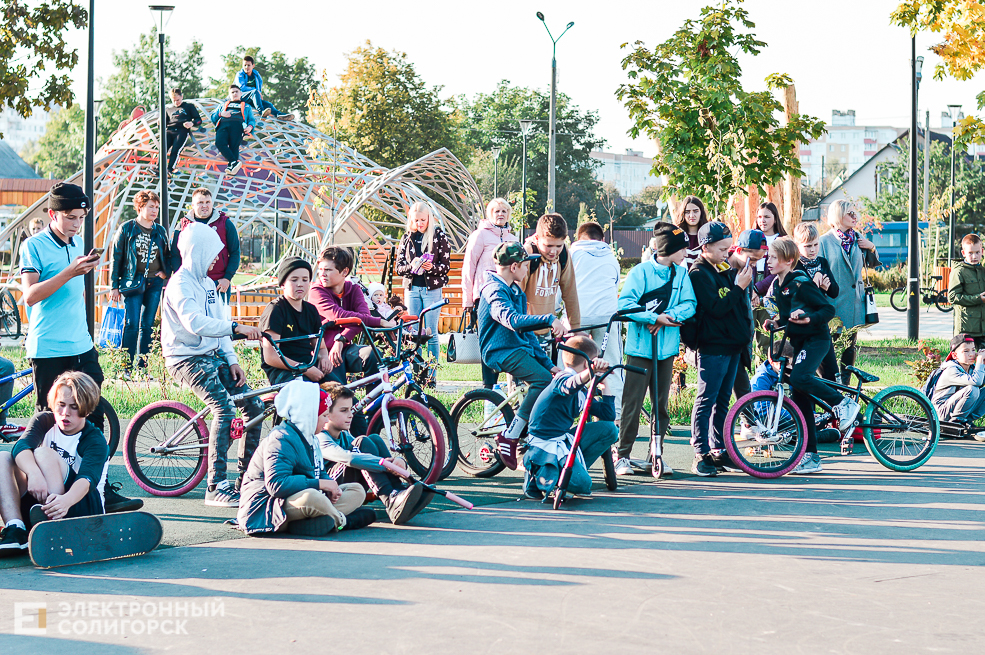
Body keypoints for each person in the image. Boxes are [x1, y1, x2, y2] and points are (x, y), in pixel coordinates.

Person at [20, 182, 140, 513]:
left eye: (81, 218)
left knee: (93, 415)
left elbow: (77, 294)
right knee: (54, 419)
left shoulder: (78, 245)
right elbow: (29, 296)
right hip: (49, 348)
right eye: (71, 218)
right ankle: (46, 491)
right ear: (52, 214)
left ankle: (97, 488)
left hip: (81, 344)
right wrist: (69, 271)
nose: (76, 224)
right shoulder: (35, 246)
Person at [161, 222, 264, 507]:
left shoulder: (208, 284)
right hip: (185, 357)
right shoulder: (179, 284)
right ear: (196, 251)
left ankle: (247, 479)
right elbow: (194, 323)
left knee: (254, 406)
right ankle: (216, 485)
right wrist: (235, 327)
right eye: (212, 252)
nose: (217, 258)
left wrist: (232, 359)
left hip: (212, 355)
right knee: (225, 409)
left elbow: (219, 322)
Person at [763, 237, 860, 475]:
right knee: (800, 397)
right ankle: (811, 455)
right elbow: (789, 314)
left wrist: (809, 319)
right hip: (799, 341)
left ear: (788, 261)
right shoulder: (778, 284)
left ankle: (843, 404)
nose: (769, 261)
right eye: (769, 257)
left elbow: (827, 309)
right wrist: (775, 322)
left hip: (817, 339)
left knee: (800, 378)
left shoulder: (800, 282)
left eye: (774, 257)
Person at [236, 379, 372, 537]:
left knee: (357, 490)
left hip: (296, 499)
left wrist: (330, 486)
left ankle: (307, 523)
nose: (327, 420)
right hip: (267, 507)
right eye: (324, 415)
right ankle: (343, 522)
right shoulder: (281, 439)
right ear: (309, 415)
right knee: (312, 497)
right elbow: (276, 485)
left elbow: (319, 471)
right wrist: (320, 484)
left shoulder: (312, 437)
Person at [615, 222, 696, 476]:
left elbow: (690, 304)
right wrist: (652, 318)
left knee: (661, 405)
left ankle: (656, 454)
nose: (685, 253)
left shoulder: (682, 274)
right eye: (682, 248)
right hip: (640, 349)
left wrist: (666, 317)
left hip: (667, 349)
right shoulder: (640, 272)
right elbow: (625, 303)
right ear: (667, 249)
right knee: (632, 403)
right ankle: (623, 455)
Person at [0, 372, 108, 555]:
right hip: (41, 504)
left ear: (87, 410)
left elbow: (87, 480)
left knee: (43, 453)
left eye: (74, 407)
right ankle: (16, 529)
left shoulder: (94, 440)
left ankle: (55, 524)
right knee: (3, 458)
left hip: (80, 506)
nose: (65, 413)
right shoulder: (44, 421)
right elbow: (20, 448)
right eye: (61, 405)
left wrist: (65, 501)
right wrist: (33, 474)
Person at [477, 241, 564, 469]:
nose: (528, 269)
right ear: (514, 266)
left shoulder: (516, 291)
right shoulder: (493, 290)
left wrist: (548, 363)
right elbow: (512, 321)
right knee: (542, 381)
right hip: (500, 351)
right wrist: (548, 319)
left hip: (517, 348)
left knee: (550, 379)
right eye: (526, 264)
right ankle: (511, 434)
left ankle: (528, 435)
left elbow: (529, 335)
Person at [316, 382, 434, 525]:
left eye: (351, 409)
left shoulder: (344, 435)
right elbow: (349, 458)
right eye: (344, 410)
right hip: (330, 489)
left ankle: (398, 490)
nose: (350, 414)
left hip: (345, 482)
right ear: (326, 413)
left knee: (374, 439)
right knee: (362, 443)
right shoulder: (320, 437)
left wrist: (397, 461)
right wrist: (386, 466)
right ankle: (390, 499)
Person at [687, 222, 752, 476]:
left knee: (723, 401)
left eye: (728, 247)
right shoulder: (699, 273)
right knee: (706, 399)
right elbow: (715, 307)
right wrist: (739, 287)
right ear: (706, 246)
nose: (727, 252)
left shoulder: (723, 268)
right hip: (713, 346)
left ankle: (719, 449)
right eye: (722, 248)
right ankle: (700, 453)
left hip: (732, 344)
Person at [522, 335, 617, 499]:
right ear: (588, 363)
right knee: (584, 485)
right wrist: (590, 372)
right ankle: (538, 475)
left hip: (561, 439)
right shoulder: (562, 379)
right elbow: (569, 386)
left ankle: (563, 475)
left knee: (610, 430)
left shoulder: (581, 390)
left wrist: (604, 383)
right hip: (545, 445)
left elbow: (608, 414)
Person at [309, 246, 395, 387]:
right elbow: (338, 316)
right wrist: (379, 321)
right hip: (323, 352)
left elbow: (363, 318)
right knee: (342, 395)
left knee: (373, 353)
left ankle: (376, 406)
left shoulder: (354, 289)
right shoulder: (316, 291)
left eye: (328, 270)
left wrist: (341, 339)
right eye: (321, 270)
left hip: (344, 347)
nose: (322, 274)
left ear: (345, 272)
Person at [817, 200, 880, 381]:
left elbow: (873, 264)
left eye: (855, 213)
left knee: (849, 348)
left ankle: (845, 385)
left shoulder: (858, 238)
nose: (855, 217)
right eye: (850, 213)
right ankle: (830, 383)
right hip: (833, 303)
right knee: (830, 348)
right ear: (838, 216)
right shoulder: (824, 241)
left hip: (854, 302)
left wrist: (872, 247)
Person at [109, 190, 171, 371]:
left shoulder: (160, 230)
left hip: (154, 283)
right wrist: (114, 286)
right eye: (151, 206)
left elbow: (167, 255)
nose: (155, 211)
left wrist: (165, 273)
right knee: (131, 324)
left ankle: (143, 366)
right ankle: (125, 367)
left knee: (148, 325)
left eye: (157, 207)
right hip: (132, 282)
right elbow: (117, 257)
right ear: (140, 207)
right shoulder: (127, 228)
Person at [462, 198, 519, 389]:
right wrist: (467, 300)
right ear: (489, 214)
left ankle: (512, 386)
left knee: (508, 339)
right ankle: (489, 387)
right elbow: (468, 267)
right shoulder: (480, 235)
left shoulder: (513, 239)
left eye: (504, 211)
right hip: (484, 296)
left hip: (507, 296)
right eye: (496, 211)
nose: (500, 214)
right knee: (488, 340)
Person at [570, 221, 623, 420]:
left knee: (573, 363)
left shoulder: (572, 253)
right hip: (606, 316)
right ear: (602, 239)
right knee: (612, 362)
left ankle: (571, 412)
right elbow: (615, 284)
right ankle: (615, 416)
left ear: (578, 237)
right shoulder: (610, 256)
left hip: (578, 316)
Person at [259, 257, 333, 387]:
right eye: (294, 280)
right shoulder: (275, 310)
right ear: (283, 284)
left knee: (341, 394)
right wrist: (305, 369)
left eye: (305, 280)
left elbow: (320, 346)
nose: (300, 284)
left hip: (308, 364)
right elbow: (270, 356)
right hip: (283, 369)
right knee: (308, 394)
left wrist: (324, 357)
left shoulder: (311, 310)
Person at [394, 202, 451, 366]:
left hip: (431, 289)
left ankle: (432, 372)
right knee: (414, 331)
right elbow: (399, 267)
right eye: (416, 220)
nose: (419, 224)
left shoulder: (438, 236)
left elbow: (445, 266)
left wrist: (432, 267)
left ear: (429, 219)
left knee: (431, 331)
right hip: (412, 288)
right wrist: (411, 267)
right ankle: (417, 368)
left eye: (423, 220)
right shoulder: (407, 237)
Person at [170, 187, 241, 301]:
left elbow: (235, 252)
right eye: (200, 203)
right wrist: (181, 279)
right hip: (192, 284)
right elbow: (175, 255)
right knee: (194, 317)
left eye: (208, 202)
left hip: (218, 283)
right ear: (193, 205)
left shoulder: (225, 223)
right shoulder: (183, 226)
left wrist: (227, 278)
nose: (204, 206)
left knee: (219, 318)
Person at [793, 222, 840, 381]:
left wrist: (826, 288)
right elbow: (801, 297)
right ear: (798, 246)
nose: (812, 250)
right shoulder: (795, 267)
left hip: (820, 322)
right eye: (807, 246)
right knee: (805, 372)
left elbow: (834, 292)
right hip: (802, 324)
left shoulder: (822, 263)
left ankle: (835, 403)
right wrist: (816, 286)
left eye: (815, 245)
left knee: (831, 371)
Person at [522, 213, 582, 335]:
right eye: (548, 246)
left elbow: (570, 293)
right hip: (526, 330)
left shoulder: (564, 254)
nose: (553, 251)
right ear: (537, 239)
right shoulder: (529, 253)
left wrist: (576, 328)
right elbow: (516, 293)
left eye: (558, 246)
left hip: (548, 329)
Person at [726, 229, 768, 399]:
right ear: (739, 251)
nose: (754, 264)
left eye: (759, 260)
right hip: (725, 341)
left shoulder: (747, 270)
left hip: (741, 342)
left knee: (743, 390)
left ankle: (750, 423)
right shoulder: (725, 270)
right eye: (753, 259)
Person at [931, 334, 985, 424]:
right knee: (973, 389)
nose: (971, 354)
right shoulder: (951, 370)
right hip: (941, 412)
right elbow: (976, 381)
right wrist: (979, 362)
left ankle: (967, 420)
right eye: (966, 351)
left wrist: (983, 364)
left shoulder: (971, 368)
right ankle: (956, 422)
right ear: (955, 355)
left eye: (973, 349)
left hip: (956, 408)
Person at [947, 234, 985, 349]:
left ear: (982, 251)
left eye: (977, 252)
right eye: (970, 253)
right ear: (963, 253)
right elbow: (952, 297)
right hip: (966, 328)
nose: (974, 256)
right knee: (966, 362)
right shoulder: (959, 272)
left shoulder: (983, 271)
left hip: (982, 329)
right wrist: (978, 299)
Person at [209, 85, 256, 176]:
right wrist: (221, 114)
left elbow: (252, 119)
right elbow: (213, 117)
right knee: (219, 143)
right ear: (229, 95)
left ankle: (232, 166)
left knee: (234, 147)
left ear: (240, 93)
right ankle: (234, 162)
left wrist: (250, 127)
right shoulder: (223, 105)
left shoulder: (246, 106)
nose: (234, 94)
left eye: (236, 92)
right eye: (232, 92)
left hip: (238, 125)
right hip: (223, 125)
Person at [236, 55, 295, 122]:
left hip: (252, 98)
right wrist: (256, 92)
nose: (246, 67)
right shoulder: (240, 74)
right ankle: (261, 112)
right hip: (241, 97)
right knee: (254, 92)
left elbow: (259, 86)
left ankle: (279, 114)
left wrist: (258, 95)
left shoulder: (256, 75)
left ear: (253, 66)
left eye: (248, 65)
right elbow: (241, 87)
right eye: (245, 65)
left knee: (268, 104)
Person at [164, 87, 203, 176]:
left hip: (181, 130)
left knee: (175, 150)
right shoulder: (169, 109)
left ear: (182, 96)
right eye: (173, 100)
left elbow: (199, 120)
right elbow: (164, 124)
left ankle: (170, 169)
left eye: (177, 100)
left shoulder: (189, 106)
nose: (176, 102)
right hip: (169, 130)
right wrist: (160, 123)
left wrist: (192, 123)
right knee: (163, 149)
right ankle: (159, 167)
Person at [753, 201, 786, 286]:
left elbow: (782, 269)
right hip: (751, 282)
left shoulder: (782, 240)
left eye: (767, 217)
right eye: (759, 217)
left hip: (774, 283)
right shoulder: (751, 238)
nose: (762, 220)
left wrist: (758, 288)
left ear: (775, 219)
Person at [673, 196, 709, 270]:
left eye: (695, 211)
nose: (692, 215)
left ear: (701, 212)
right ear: (683, 214)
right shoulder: (676, 236)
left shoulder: (709, 235)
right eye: (687, 212)